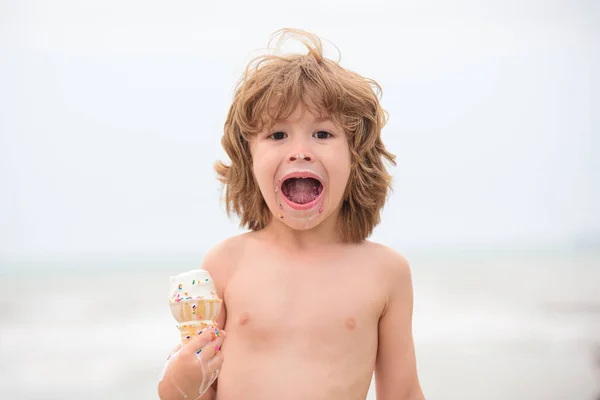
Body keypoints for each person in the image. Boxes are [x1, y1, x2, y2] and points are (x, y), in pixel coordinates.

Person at [158, 28, 425, 400]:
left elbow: (404, 393)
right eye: (278, 135)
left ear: (356, 158)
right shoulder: (226, 263)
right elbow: (196, 389)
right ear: (249, 159)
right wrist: (179, 384)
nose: (300, 151)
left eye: (323, 134)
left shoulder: (386, 272)